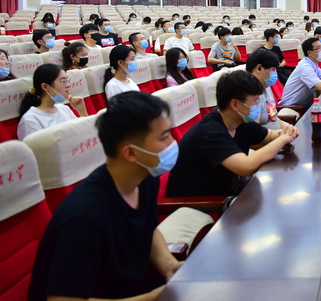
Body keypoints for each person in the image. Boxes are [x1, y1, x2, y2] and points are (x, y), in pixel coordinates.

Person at [28, 92, 181, 301]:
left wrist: (169, 265)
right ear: (131, 153)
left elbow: (148, 229)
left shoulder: (145, 177)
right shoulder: (86, 215)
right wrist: (150, 298)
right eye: (164, 137)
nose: (173, 142)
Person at [166, 71, 297, 198]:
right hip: (198, 204)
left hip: (225, 191)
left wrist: (286, 132)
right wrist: (283, 139)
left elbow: (269, 136)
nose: (258, 105)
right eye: (255, 100)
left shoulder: (241, 121)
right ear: (235, 104)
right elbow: (246, 166)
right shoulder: (210, 131)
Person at [17, 63, 88, 140]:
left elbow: (86, 135)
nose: (68, 85)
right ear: (45, 87)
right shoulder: (30, 119)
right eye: (63, 81)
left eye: (67, 80)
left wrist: (82, 111)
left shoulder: (64, 109)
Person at [245, 49, 300, 138]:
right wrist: (283, 135)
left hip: (278, 133)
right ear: (259, 68)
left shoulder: (265, 86)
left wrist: (286, 127)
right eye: (273, 69)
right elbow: (254, 131)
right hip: (268, 139)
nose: (275, 74)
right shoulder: (250, 93)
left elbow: (273, 116)